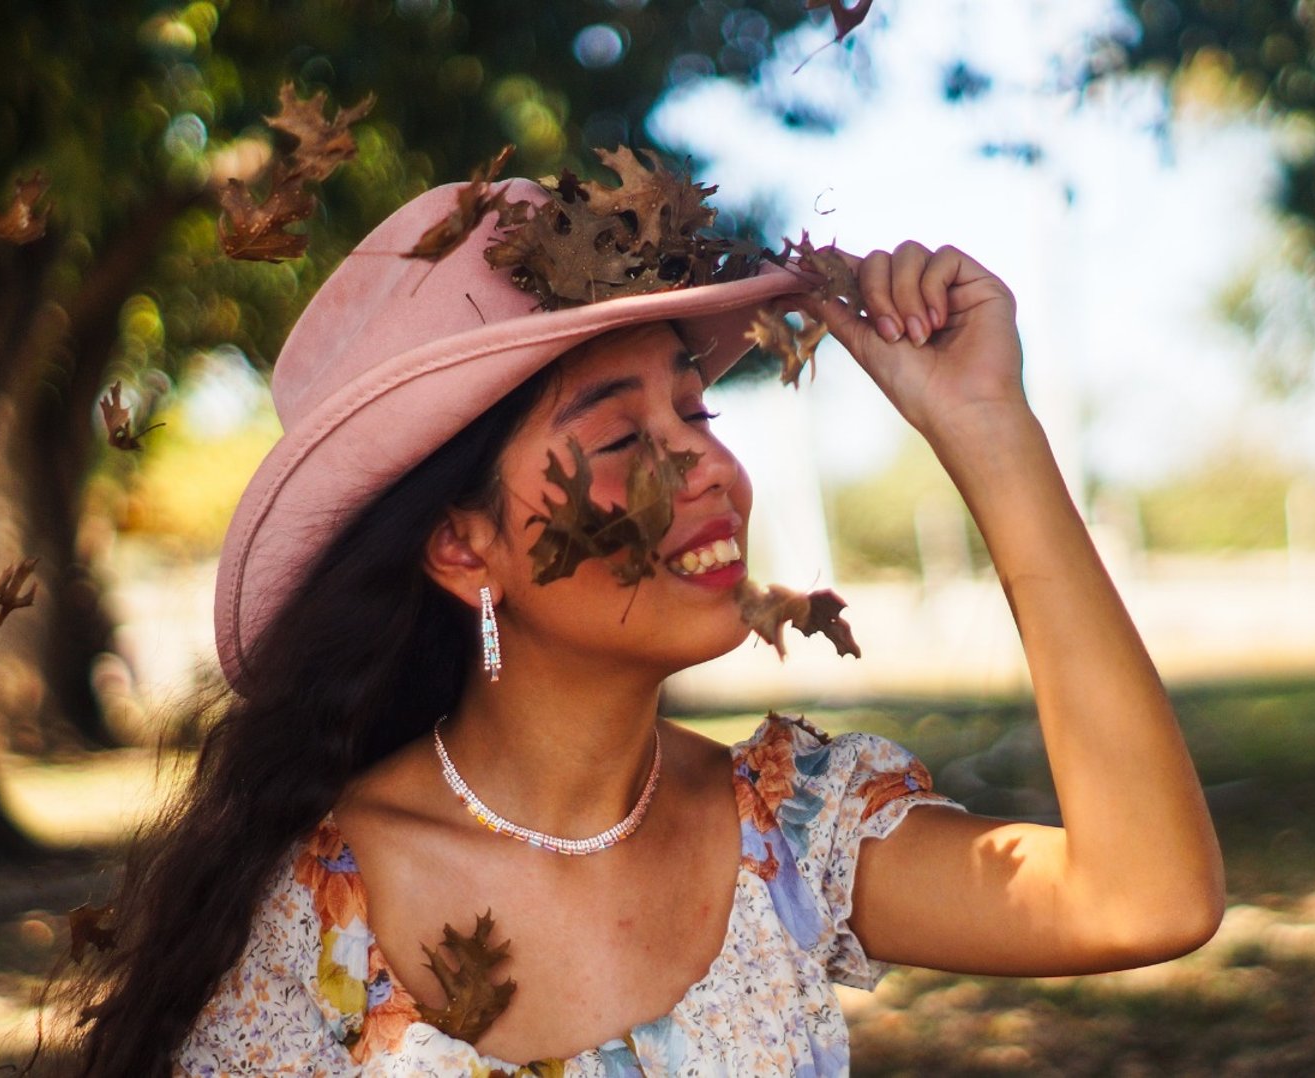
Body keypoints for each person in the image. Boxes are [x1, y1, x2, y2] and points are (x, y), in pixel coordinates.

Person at [69, 161, 1224, 1076]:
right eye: (624, 439)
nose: (708, 468)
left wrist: (988, 429)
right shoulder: (317, 912)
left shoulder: (791, 834)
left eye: (697, 411)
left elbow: (1146, 895)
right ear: (463, 546)